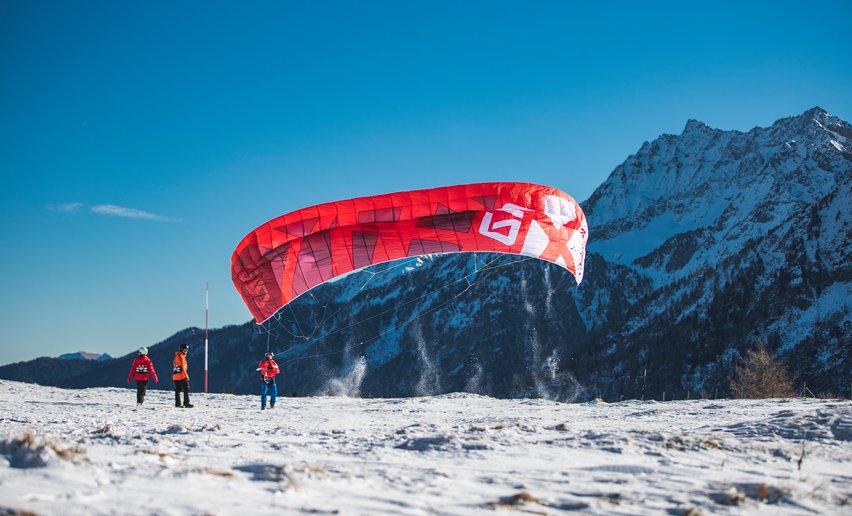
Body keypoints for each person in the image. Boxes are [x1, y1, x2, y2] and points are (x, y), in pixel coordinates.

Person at [172, 343, 193, 408]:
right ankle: (186, 403)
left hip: (176, 375)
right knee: (186, 389)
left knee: (178, 390)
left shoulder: (177, 356)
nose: (186, 351)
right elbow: (183, 367)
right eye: (184, 350)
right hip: (182, 375)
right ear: (181, 349)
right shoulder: (181, 357)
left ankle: (177, 403)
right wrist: (186, 376)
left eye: (186, 350)